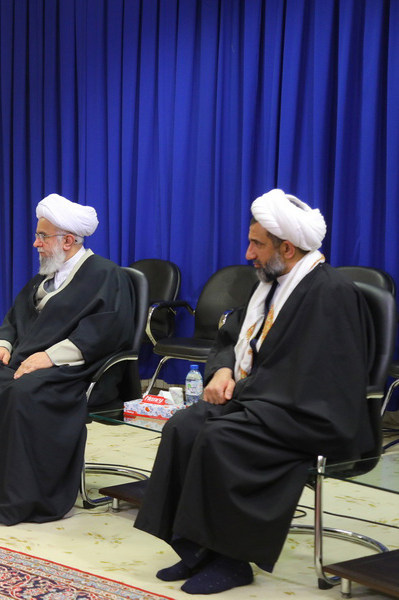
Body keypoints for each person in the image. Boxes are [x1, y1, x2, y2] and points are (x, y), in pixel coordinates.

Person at [133, 189, 375, 594]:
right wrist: (223, 370)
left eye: (256, 244)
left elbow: (313, 376)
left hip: (312, 413)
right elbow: (230, 338)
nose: (248, 254)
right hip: (265, 398)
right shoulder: (271, 285)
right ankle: (197, 548)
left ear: (287, 248)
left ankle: (233, 561)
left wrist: (240, 391)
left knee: (220, 437)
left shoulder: (330, 293)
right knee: (183, 427)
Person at [0, 193, 135, 525]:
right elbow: (14, 318)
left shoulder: (105, 274)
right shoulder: (46, 275)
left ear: (68, 240)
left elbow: (108, 331)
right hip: (26, 361)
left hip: (78, 369)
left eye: (43, 236)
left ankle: (20, 496)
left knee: (24, 392)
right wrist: (1, 345)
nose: (36, 243)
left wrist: (51, 357)